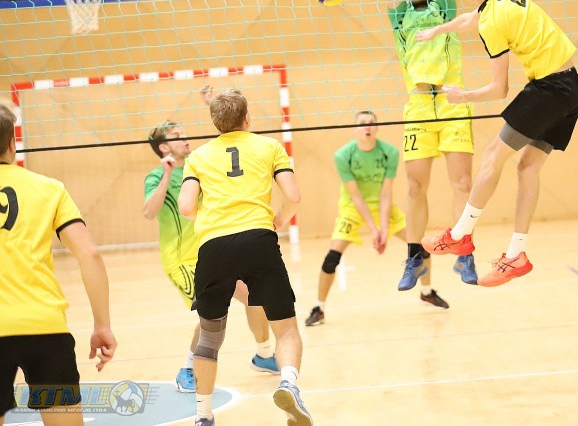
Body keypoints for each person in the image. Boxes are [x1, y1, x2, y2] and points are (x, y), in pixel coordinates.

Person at [417, 0, 578, 287]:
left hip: (549, 89)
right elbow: (471, 18)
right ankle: (516, 255)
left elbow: (499, 89)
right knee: (527, 168)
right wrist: (438, 30)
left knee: (493, 155)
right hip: (572, 87)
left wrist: (463, 96)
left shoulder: (491, 24)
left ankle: (459, 235)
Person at [178, 89, 311, 426]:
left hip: (213, 246)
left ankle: (203, 415)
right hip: (259, 239)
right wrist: (280, 219)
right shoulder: (269, 147)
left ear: (214, 122)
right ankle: (288, 383)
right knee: (286, 328)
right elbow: (294, 195)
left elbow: (186, 207)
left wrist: (212, 220)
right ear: (247, 118)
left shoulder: (198, 157)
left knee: (209, 337)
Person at [378, 0, 477, 292]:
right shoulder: (400, 18)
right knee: (414, 187)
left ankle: (464, 251)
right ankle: (415, 257)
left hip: (452, 102)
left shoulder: (446, 13)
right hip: (419, 107)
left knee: (463, 182)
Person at [0, 105, 117, 425]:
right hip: (45, 327)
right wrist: (102, 325)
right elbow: (89, 254)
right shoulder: (50, 188)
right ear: (12, 143)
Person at [145, 118, 280, 393]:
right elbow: (149, 212)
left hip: (212, 251)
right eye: (176, 135)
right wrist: (168, 174)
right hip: (182, 261)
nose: (184, 137)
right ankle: (187, 369)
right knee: (211, 314)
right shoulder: (156, 177)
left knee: (254, 298)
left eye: (183, 132)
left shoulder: (199, 165)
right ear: (163, 148)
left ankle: (264, 354)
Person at [304, 110, 449, 326]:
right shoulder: (343, 155)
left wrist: (384, 228)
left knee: (420, 246)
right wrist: (374, 229)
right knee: (331, 258)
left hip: (383, 207)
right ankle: (319, 307)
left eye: (371, 122)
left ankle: (426, 291)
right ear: (355, 129)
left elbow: (386, 194)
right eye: (362, 123)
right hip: (352, 209)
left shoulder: (389, 152)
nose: (367, 126)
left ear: (377, 127)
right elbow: (355, 196)